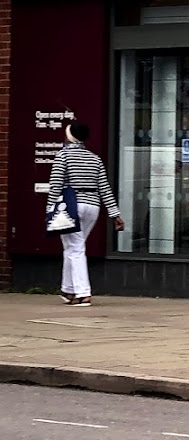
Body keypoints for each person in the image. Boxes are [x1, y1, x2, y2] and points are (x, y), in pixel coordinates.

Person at [47, 121, 124, 306]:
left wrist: (50, 210)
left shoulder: (63, 156)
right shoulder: (94, 158)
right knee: (73, 247)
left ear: (70, 136)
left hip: (71, 204)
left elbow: (56, 184)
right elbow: (104, 188)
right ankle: (69, 290)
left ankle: (83, 292)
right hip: (93, 205)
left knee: (75, 248)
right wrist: (115, 214)